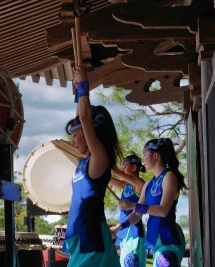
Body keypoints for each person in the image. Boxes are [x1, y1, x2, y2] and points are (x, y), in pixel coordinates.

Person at [63, 67, 122, 267]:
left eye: (75, 135)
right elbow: (82, 117)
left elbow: (85, 118)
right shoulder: (85, 163)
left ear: (91, 132)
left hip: (92, 236)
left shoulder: (100, 160)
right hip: (82, 234)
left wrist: (83, 86)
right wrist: (77, 93)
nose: (73, 141)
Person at [120, 138, 187, 267]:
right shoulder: (148, 185)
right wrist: (118, 227)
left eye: (145, 155)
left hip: (168, 238)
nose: (142, 160)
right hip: (156, 239)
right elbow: (137, 214)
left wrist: (134, 205)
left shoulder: (169, 177)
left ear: (155, 155)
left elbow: (163, 210)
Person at [109, 154, 147, 267]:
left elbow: (116, 172)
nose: (121, 169)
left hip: (134, 231)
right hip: (124, 231)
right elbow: (107, 178)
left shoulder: (140, 184)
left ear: (134, 168)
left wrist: (102, 162)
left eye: (124, 166)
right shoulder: (126, 185)